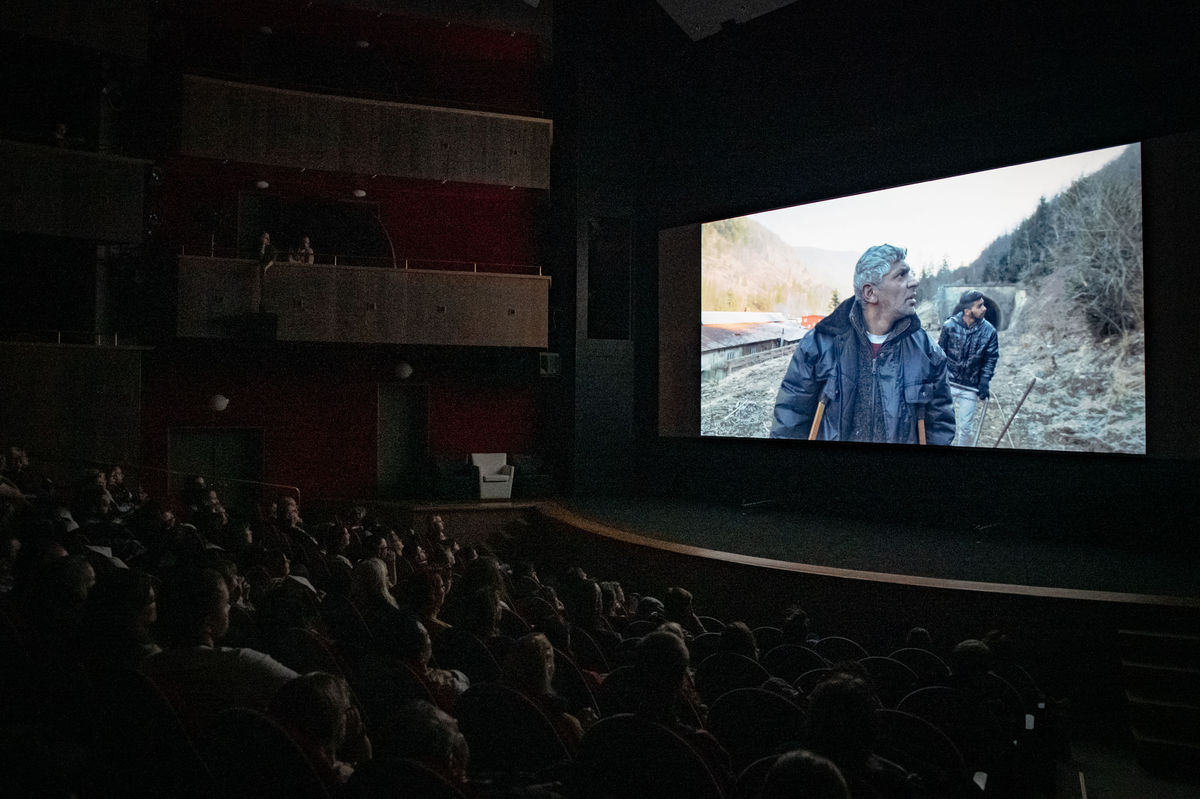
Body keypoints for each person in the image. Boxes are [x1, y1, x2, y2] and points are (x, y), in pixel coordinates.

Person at [771, 244, 954, 445]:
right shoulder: (818, 344)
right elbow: (790, 419)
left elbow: (940, 427)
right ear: (870, 293)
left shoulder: (928, 352)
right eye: (901, 275)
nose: (914, 282)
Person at [938, 290, 1000, 446]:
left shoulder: (990, 331)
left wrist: (984, 381)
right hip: (949, 383)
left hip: (970, 387)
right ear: (967, 311)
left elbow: (990, 358)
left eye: (984, 304)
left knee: (966, 429)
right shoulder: (949, 326)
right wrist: (937, 379)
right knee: (943, 424)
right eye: (979, 306)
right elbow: (940, 354)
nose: (984, 308)